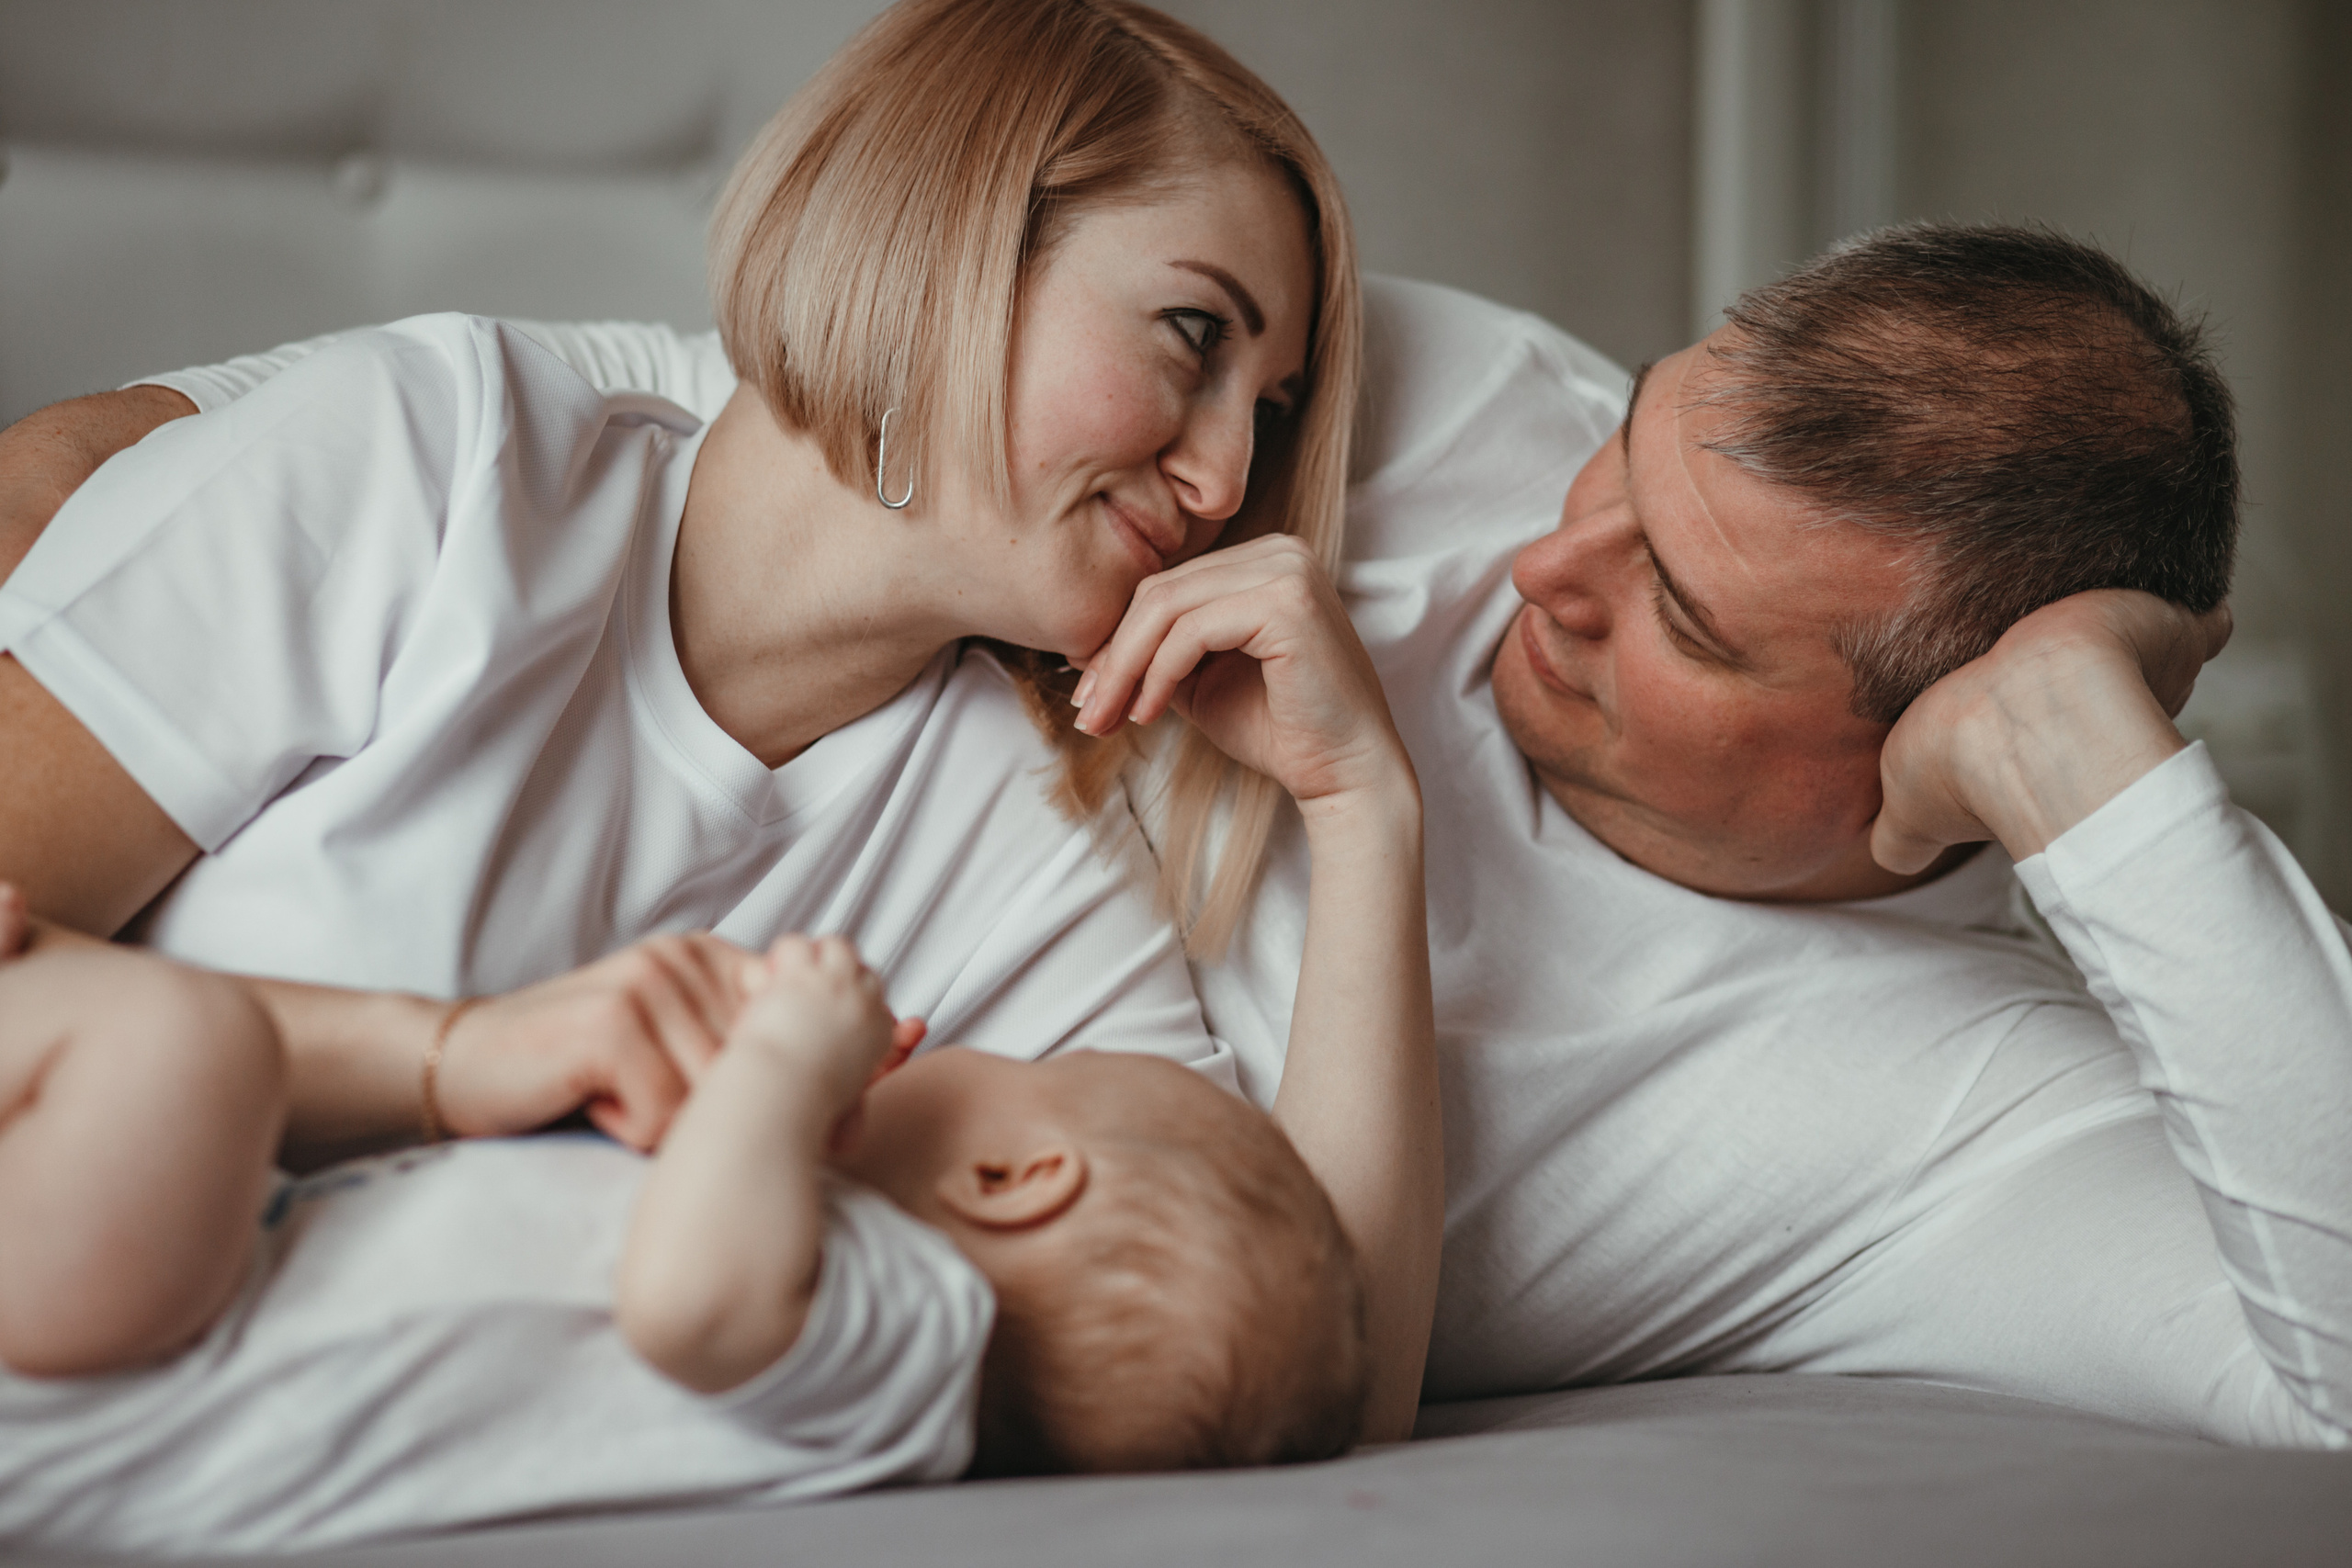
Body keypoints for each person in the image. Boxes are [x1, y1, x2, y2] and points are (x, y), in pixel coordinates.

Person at [38, 221, 2345, 1450]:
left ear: (1933, 743)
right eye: (1616, 469)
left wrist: (2108, 785)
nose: (1540, 574)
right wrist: (166, 445)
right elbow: (843, 426)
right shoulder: (1435, 393)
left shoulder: (1967, 1114)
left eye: (1678, 613)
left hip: (757, 1182)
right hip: (619, 879)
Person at [0, 0, 1442, 1445]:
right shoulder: (433, 466)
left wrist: (1365, 814)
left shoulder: (1030, 848)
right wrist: (447, 1055)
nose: (1226, 478)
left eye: (1274, 410)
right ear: (948, 231)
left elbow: (1310, 1390)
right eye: (1197, 340)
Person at [0, 897, 1366, 1554]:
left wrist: (791, 1056)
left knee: (196, 1044)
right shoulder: (833, 1317)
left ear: (1014, 1180)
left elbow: (691, 1307)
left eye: (1015, 1064)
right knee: (170, 1056)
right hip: (173, 1327)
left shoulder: (912, 1344)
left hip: (161, 1372)